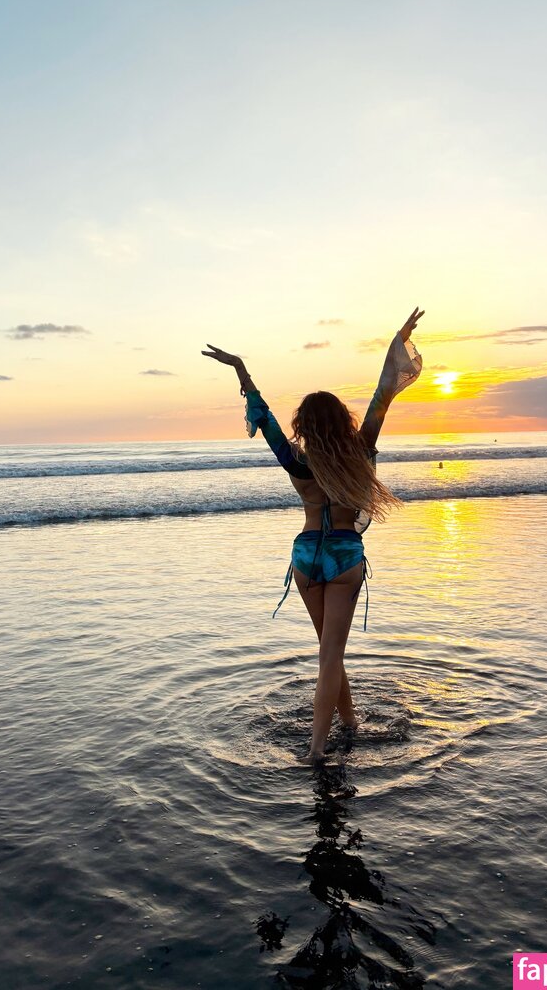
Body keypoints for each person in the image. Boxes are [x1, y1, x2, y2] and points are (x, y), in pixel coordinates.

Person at [201, 307, 425, 765]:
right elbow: (383, 394)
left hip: (304, 558)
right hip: (343, 556)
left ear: (304, 423)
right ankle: (317, 749)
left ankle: (350, 722)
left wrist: (241, 368)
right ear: (342, 420)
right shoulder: (360, 449)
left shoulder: (296, 461)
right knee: (330, 656)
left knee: (328, 652)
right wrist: (398, 341)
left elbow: (263, 416)